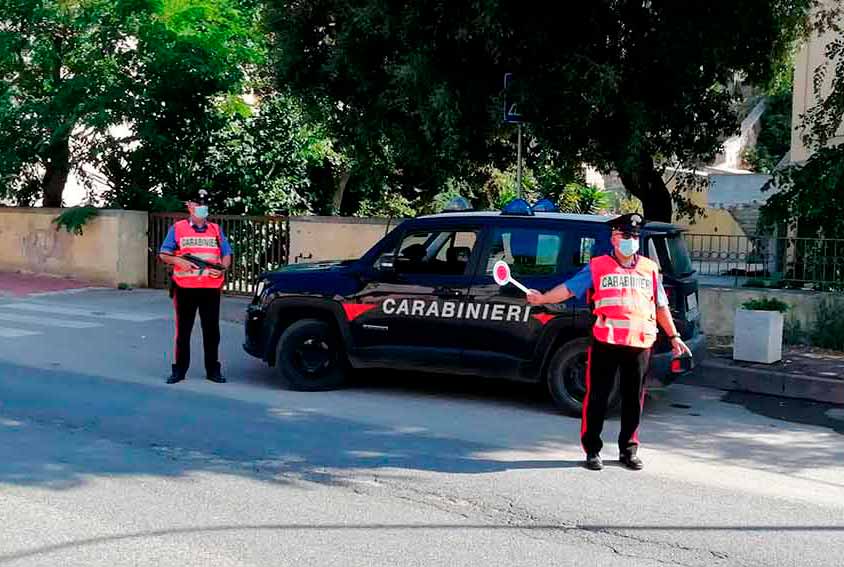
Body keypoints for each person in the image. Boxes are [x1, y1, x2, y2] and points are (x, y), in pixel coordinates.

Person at [527, 213, 691, 471]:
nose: (631, 240)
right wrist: (543, 298)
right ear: (614, 238)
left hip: (639, 343)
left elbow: (660, 306)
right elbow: (570, 289)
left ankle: (628, 450)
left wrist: (674, 337)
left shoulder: (649, 268)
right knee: (598, 397)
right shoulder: (598, 265)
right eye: (626, 235)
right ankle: (592, 449)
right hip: (607, 340)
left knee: (633, 400)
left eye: (635, 236)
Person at [158, 190, 233, 384]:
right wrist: (178, 261)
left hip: (210, 287)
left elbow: (226, 253)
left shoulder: (216, 229)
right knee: (183, 331)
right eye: (198, 204)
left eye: (205, 204)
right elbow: (164, 254)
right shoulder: (178, 228)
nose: (202, 208)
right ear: (189, 206)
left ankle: (213, 370)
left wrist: (223, 268)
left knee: (211, 330)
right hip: (185, 287)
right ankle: (179, 371)